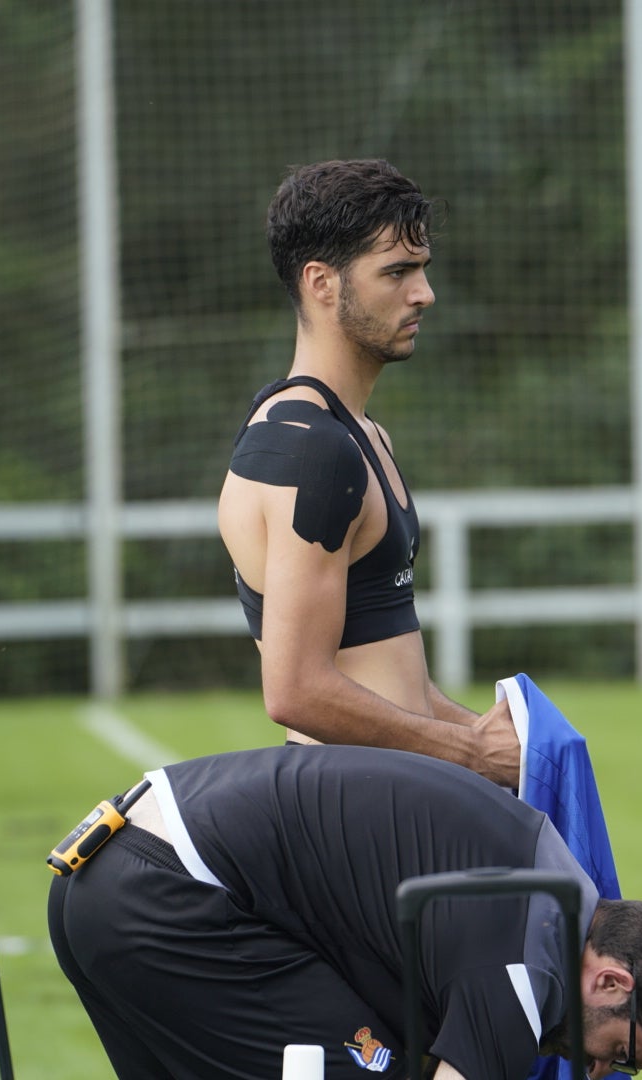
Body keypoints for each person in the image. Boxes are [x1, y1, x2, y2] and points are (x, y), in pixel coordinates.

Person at [46, 744, 642, 1079]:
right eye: (619, 1053)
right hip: (170, 896)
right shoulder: (530, 966)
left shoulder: (555, 878)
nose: (596, 1072)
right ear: (611, 981)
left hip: (100, 875)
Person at [217, 159, 518, 787]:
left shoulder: (359, 435)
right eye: (398, 272)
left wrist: (494, 742)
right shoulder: (309, 448)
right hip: (349, 808)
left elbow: (388, 678)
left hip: (394, 794)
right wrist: (468, 755)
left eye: (423, 269)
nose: (424, 293)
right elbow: (296, 690)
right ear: (321, 283)